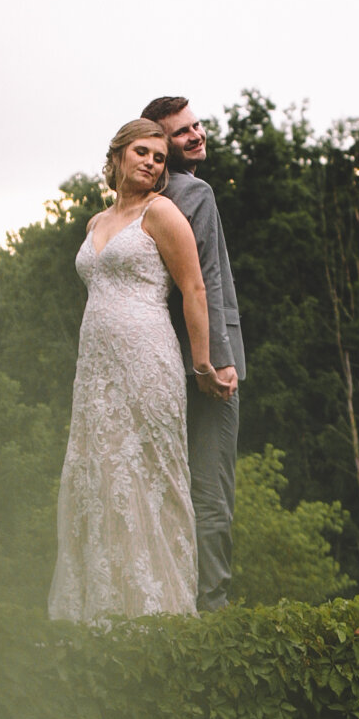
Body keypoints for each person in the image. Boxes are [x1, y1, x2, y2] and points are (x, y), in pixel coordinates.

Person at [48, 120, 234, 623]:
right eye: (142, 152)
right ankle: (102, 608)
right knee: (98, 473)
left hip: (147, 359)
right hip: (96, 370)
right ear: (117, 157)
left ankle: (162, 610)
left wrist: (204, 364)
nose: (152, 163)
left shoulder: (163, 212)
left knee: (146, 475)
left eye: (159, 157)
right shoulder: (94, 223)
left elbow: (194, 290)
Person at [142, 95, 244, 612]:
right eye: (182, 132)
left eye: (197, 125)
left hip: (154, 361)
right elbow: (201, 284)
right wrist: (218, 361)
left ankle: (167, 598)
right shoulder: (195, 193)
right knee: (212, 493)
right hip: (205, 363)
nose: (196, 135)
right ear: (162, 144)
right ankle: (213, 610)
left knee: (164, 490)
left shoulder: (141, 202)